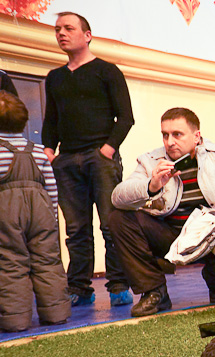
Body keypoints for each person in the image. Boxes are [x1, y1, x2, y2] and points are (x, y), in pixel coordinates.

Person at [109, 108, 215, 317]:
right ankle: (154, 291)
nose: (169, 142)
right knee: (118, 218)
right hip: (171, 236)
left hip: (212, 237)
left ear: (196, 136)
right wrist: (151, 186)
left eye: (177, 134)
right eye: (165, 134)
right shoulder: (150, 161)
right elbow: (117, 196)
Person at [42, 12, 134, 308]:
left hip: (100, 159)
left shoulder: (108, 71)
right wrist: (48, 150)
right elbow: (51, 120)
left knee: (110, 224)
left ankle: (118, 283)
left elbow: (126, 118)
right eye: (57, 29)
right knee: (76, 229)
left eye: (68, 28)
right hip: (66, 161)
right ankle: (79, 287)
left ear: (88, 34)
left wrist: (107, 149)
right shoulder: (54, 78)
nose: (61, 33)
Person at [0, 92, 70, 332]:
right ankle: (56, 313)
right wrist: (51, 214)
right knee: (48, 260)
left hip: (7, 211)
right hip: (41, 210)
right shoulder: (39, 151)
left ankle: (15, 319)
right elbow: (51, 185)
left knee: (10, 262)